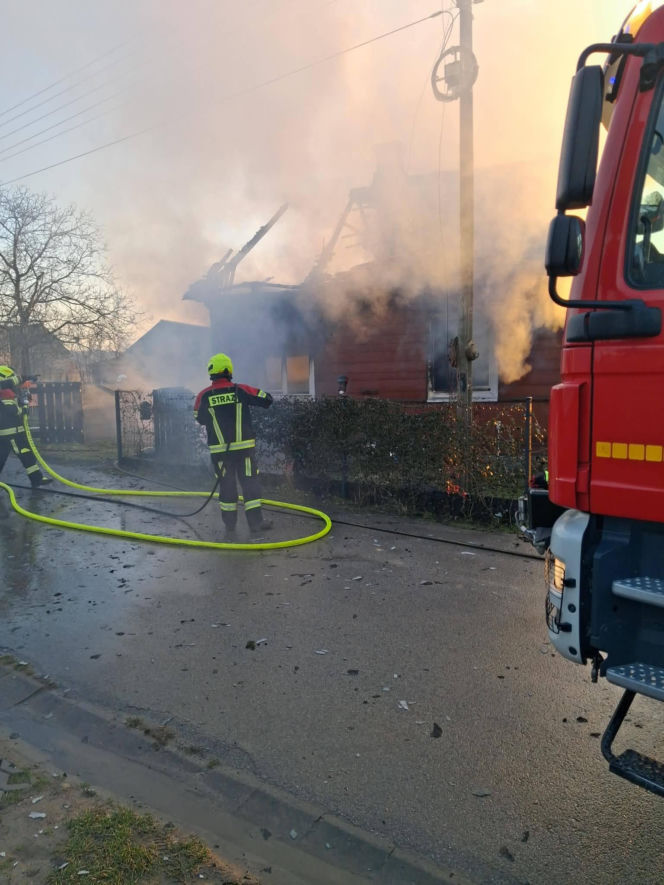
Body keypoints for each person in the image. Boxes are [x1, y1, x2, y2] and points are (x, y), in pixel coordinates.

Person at [194, 353, 273, 538]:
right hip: (244, 451)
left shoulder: (203, 396)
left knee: (227, 487)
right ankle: (256, 524)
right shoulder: (241, 390)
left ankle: (230, 527)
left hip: (220, 454)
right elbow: (267, 399)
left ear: (211, 372)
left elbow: (200, 418)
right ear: (229, 370)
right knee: (250, 484)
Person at [0, 365, 51, 488]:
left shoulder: (7, 392)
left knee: (27, 455)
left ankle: (37, 479)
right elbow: (12, 411)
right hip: (8, 435)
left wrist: (23, 399)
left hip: (17, 433)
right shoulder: (2, 393)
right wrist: (24, 406)